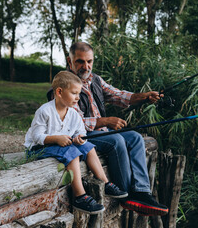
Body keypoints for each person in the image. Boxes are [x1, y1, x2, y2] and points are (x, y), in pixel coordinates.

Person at [57, 41, 169, 216]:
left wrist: (145, 97)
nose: (86, 66)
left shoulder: (95, 80)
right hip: (79, 136)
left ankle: (142, 191)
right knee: (116, 140)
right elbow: (72, 122)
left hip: (101, 133)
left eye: (89, 61)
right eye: (80, 61)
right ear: (69, 61)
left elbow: (119, 95)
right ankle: (126, 195)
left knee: (134, 137)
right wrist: (105, 121)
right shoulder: (64, 84)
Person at [25, 71, 127, 215]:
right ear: (59, 92)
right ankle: (80, 196)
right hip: (38, 148)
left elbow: (80, 133)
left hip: (59, 145)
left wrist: (78, 138)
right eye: (74, 93)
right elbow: (36, 136)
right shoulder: (45, 111)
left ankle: (105, 183)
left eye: (79, 94)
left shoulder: (73, 114)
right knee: (72, 153)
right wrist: (57, 138)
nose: (78, 98)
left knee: (88, 146)